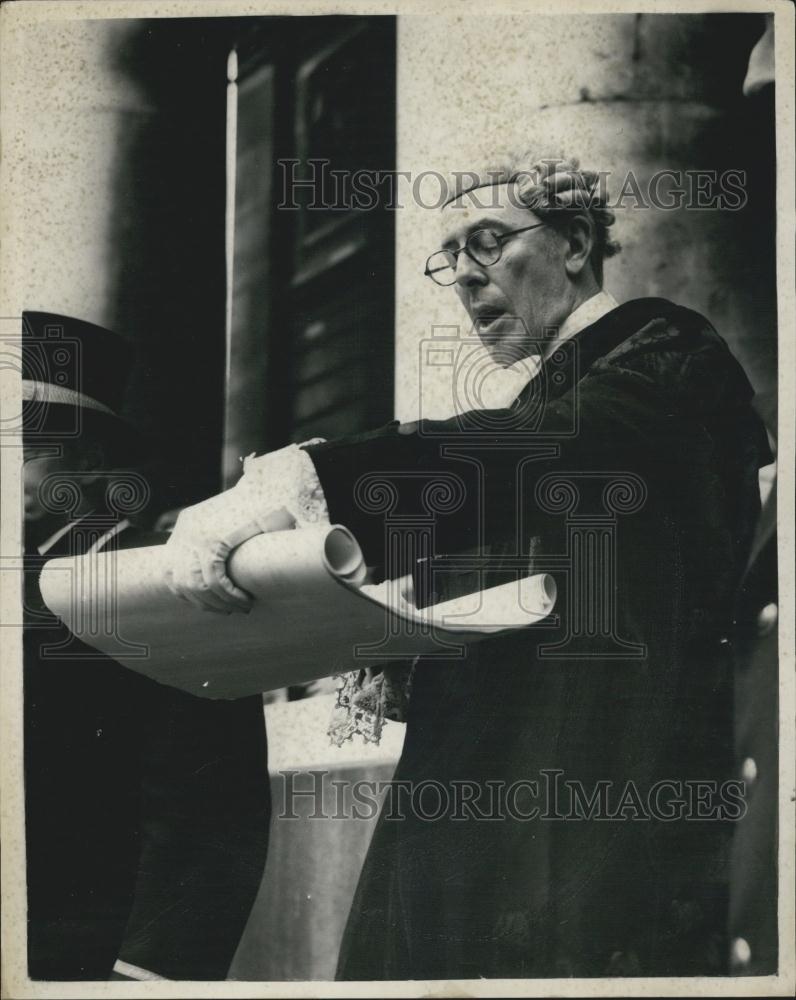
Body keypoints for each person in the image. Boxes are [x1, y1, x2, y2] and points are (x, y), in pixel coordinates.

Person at [162, 156, 772, 977]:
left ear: (576, 242)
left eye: (487, 242)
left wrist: (307, 478)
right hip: (500, 813)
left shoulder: (666, 353)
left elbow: (535, 456)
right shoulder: (543, 402)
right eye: (451, 256)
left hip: (597, 819)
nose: (465, 277)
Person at [22, 311, 270, 981]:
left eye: (26, 447)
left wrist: (149, 977)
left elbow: (213, 812)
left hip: (89, 959)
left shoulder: (161, 581)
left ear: (91, 460)